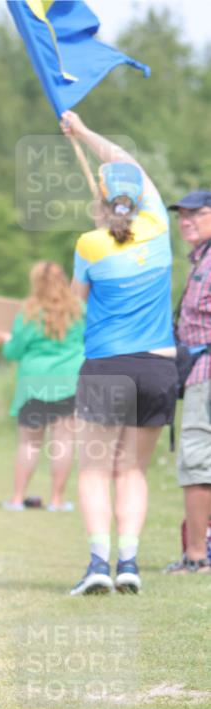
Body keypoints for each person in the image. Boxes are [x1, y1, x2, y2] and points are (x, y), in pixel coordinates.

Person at [61, 112, 178, 596]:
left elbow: (72, 307)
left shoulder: (90, 245)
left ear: (103, 203)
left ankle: (97, 564)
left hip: (108, 365)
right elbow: (125, 160)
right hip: (159, 366)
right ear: (139, 197)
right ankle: (129, 561)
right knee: (132, 469)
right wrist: (86, 133)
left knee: (93, 468)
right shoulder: (160, 226)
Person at [0, 262, 85, 512]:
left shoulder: (27, 312)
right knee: (63, 442)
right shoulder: (79, 311)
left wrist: (6, 341)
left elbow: (15, 351)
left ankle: (17, 499)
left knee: (29, 443)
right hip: (69, 382)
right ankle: (56, 500)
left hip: (34, 384)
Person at [163, 190, 211, 574]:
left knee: (197, 464)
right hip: (196, 375)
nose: (186, 221)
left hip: (206, 377)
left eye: (197, 213)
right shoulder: (200, 261)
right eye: (182, 215)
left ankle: (197, 556)